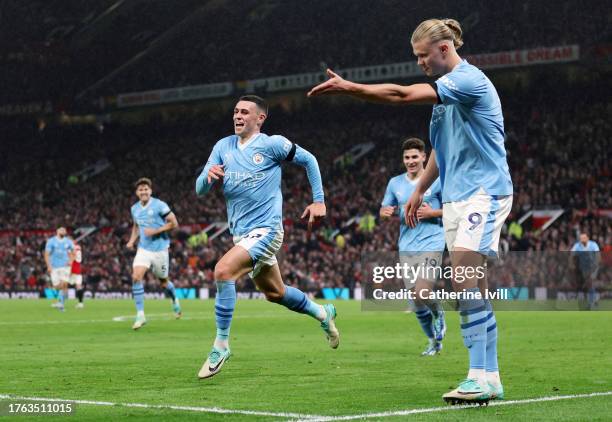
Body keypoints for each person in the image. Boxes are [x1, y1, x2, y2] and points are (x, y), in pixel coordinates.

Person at [308, 18, 513, 404]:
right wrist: (419, 188)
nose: (419, 63)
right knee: (475, 287)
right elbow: (441, 149)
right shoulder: (446, 102)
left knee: (464, 278)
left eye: (423, 56)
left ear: (444, 49)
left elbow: (402, 95)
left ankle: (476, 376)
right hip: (455, 197)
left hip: (484, 193)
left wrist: (352, 88)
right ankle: (490, 377)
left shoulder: (469, 81)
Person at [195, 95, 339, 380]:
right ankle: (323, 314)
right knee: (276, 293)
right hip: (242, 235)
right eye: (235, 111)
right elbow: (200, 189)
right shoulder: (222, 147)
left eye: (245, 112)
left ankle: (221, 345)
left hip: (267, 229)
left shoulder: (272, 144)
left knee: (223, 271)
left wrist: (319, 200)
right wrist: (207, 177)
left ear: (260, 118)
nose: (237, 115)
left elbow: (309, 160)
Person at [380, 138, 446, 356]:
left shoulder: (437, 180)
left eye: (414, 157)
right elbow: (385, 208)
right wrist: (385, 213)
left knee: (422, 291)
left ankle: (439, 313)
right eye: (407, 157)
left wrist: (432, 213)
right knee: (416, 301)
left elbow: (454, 209)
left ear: (424, 157)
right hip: (406, 244)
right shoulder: (395, 183)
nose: (410, 161)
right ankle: (433, 342)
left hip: (433, 240)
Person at [127, 177, 181, 330]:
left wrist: (156, 231)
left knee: (163, 282)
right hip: (143, 249)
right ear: (137, 193)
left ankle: (174, 300)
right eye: (140, 189)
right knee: (136, 276)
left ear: (150, 191)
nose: (143, 191)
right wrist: (132, 241)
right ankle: (140, 314)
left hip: (160, 250)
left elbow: (174, 222)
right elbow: (136, 227)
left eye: (146, 189)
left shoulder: (159, 205)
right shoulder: (134, 208)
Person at [44, 227, 74, 311]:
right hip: (54, 267)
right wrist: (49, 266)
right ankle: (60, 301)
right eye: (61, 230)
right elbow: (46, 254)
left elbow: (73, 252)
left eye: (65, 230)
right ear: (57, 231)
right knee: (57, 286)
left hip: (65, 266)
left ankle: (61, 304)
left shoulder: (69, 241)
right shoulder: (51, 241)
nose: (63, 231)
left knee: (64, 284)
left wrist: (71, 261)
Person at [571, 232, 600, 309]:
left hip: (594, 267)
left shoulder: (593, 245)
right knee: (588, 285)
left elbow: (598, 255)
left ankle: (591, 303)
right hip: (584, 268)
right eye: (581, 238)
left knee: (590, 282)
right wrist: (572, 264)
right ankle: (594, 298)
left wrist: (596, 265)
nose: (582, 239)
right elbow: (571, 254)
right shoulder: (577, 246)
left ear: (587, 238)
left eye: (583, 238)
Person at [69, 238, 85, 308]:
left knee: (78, 286)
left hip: (74, 270)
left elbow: (74, 258)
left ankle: (80, 303)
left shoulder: (75, 248)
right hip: (76, 270)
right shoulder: (75, 248)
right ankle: (80, 303)